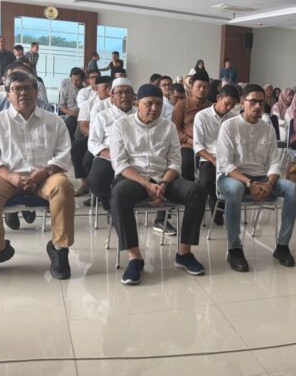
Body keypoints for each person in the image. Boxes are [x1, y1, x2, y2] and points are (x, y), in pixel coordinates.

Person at [0, 71, 74, 279]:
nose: (23, 92)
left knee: (63, 187)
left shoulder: (54, 121)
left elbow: (63, 153)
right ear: (8, 95)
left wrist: (45, 171)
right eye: (16, 89)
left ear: (36, 92)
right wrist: (11, 177)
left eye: (27, 88)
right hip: (6, 176)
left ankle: (59, 249)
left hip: (46, 175)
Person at [109, 84, 207, 284]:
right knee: (119, 194)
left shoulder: (168, 127)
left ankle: (184, 253)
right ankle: (135, 258)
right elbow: (120, 164)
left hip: (164, 179)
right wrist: (147, 185)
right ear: (137, 103)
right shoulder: (121, 125)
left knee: (196, 191)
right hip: (134, 179)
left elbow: (175, 162)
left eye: (159, 104)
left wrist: (163, 183)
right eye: (149, 104)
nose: (154, 108)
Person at [217, 84, 296, 271]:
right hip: (232, 178)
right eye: (253, 102)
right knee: (236, 189)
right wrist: (249, 183)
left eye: (261, 102)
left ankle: (282, 246)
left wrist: (269, 183)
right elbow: (225, 164)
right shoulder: (229, 126)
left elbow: (275, 162)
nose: (257, 106)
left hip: (262, 178)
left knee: (292, 189)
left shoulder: (268, 129)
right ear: (242, 103)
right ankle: (234, 249)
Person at [193, 84, 240, 226]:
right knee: (206, 182)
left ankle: (221, 206)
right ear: (218, 98)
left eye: (233, 105)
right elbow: (198, 145)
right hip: (208, 157)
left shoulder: (233, 118)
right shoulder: (202, 116)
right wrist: (213, 159)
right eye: (227, 103)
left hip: (228, 158)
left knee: (233, 182)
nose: (229, 108)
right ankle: (215, 203)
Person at [87, 79, 135, 210]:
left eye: (127, 92)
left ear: (133, 95)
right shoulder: (103, 116)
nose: (124, 96)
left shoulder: (140, 114)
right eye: (119, 93)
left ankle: (121, 206)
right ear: (112, 95)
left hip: (135, 157)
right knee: (95, 181)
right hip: (108, 156)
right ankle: (110, 206)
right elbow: (93, 141)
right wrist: (110, 154)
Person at [72, 76, 111, 197]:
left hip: (111, 138)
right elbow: (83, 126)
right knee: (76, 147)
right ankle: (86, 184)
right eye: (105, 87)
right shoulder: (88, 104)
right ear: (97, 89)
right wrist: (97, 136)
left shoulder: (116, 102)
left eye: (110, 87)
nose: (108, 90)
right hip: (93, 135)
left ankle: (99, 187)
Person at [171, 73, 210, 182]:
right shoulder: (182, 106)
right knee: (186, 163)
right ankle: (189, 188)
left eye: (205, 87)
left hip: (208, 146)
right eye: (199, 86)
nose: (202, 89)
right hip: (188, 144)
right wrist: (190, 141)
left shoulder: (211, 107)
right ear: (191, 88)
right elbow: (175, 129)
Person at [58, 68, 86, 139]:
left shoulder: (86, 90)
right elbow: (61, 107)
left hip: (84, 115)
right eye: (73, 80)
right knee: (71, 124)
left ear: (82, 80)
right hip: (72, 115)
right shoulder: (65, 90)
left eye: (77, 80)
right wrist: (73, 113)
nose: (74, 82)